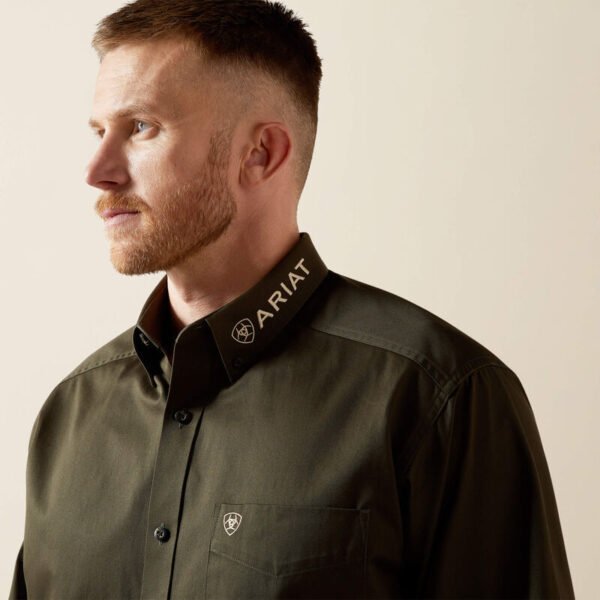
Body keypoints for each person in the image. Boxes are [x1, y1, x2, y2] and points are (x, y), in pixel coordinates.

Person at [10, 1, 575, 598]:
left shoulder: (437, 395)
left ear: (261, 154)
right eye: (99, 132)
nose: (97, 170)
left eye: (142, 127)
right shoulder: (69, 417)